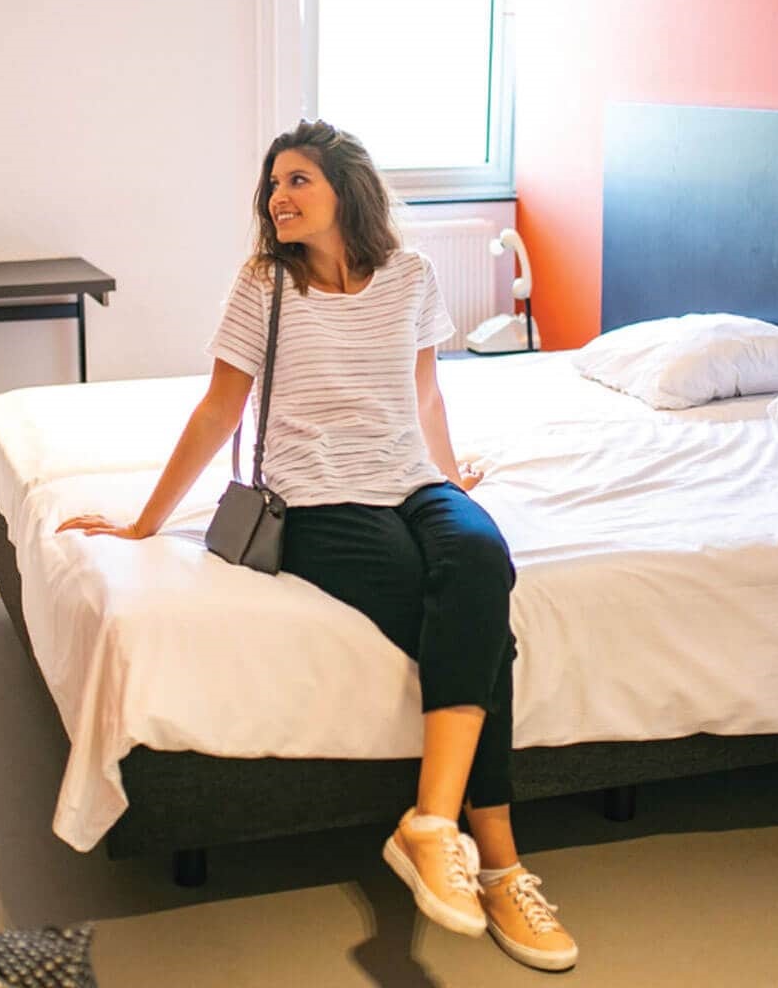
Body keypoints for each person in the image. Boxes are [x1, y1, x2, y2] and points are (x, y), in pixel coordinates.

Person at [56, 120, 577, 971]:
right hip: (316, 494)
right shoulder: (264, 282)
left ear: (346, 189)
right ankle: (500, 860)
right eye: (272, 184)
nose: (278, 197)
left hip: (410, 478)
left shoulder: (410, 275)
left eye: (297, 179)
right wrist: (145, 522)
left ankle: (430, 827)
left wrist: (451, 479)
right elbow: (219, 410)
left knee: (481, 559)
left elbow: (426, 393)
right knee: (476, 630)